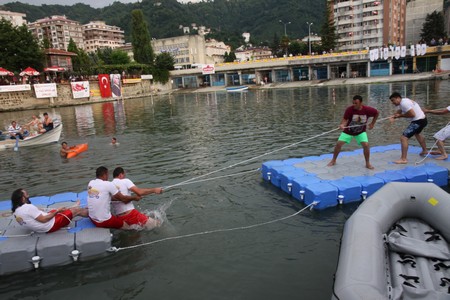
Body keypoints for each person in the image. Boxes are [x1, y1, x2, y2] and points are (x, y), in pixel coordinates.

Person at [327, 95, 379, 169]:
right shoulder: (349, 109)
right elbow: (345, 119)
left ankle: (367, 163)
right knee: (338, 144)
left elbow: (377, 113)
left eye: (356, 103)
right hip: (348, 131)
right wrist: (342, 125)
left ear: (361, 103)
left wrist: (372, 124)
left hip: (361, 131)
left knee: (366, 145)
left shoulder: (367, 109)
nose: (354, 105)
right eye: (353, 103)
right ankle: (333, 160)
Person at [11, 188, 88, 233]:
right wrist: (57, 211)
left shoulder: (16, 211)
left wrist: (56, 211)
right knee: (77, 210)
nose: (28, 195)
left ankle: (74, 206)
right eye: (26, 194)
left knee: (59, 210)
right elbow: (44, 220)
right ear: (22, 198)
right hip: (51, 225)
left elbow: (30, 216)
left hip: (42, 226)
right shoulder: (28, 207)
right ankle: (93, 213)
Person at [389, 92, 428, 164]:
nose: (392, 102)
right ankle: (425, 150)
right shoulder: (404, 101)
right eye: (391, 101)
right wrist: (394, 116)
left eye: (393, 100)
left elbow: (412, 114)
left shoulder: (404, 103)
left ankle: (403, 159)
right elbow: (400, 110)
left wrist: (400, 116)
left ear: (398, 98)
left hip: (418, 121)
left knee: (403, 138)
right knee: (417, 133)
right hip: (423, 120)